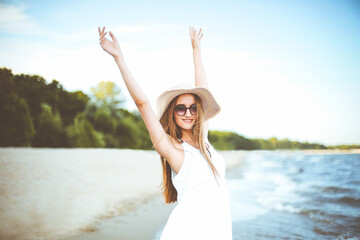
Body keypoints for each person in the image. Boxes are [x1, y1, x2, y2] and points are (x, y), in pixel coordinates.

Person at [98, 26, 232, 240]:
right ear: (173, 112)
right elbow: (142, 103)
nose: (188, 113)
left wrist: (196, 50)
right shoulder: (172, 148)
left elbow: (203, 89)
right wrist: (119, 58)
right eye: (180, 108)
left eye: (193, 107)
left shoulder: (204, 142)